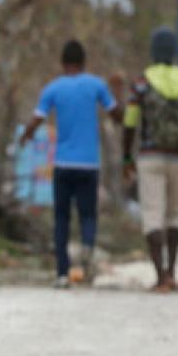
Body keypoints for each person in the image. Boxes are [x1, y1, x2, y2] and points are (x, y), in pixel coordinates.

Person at [17, 40, 122, 288]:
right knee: (87, 215)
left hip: (63, 163)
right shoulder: (96, 85)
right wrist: (117, 92)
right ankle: (86, 251)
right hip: (89, 164)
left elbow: (36, 119)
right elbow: (117, 115)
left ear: (63, 63)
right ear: (84, 62)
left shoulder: (53, 88)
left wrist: (25, 137)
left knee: (61, 218)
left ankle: (62, 273)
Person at [121, 29, 178, 293]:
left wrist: (126, 156)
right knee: (175, 215)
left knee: (152, 215)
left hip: (150, 156)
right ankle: (172, 272)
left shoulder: (142, 82)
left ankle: (160, 275)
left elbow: (129, 122)